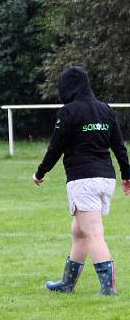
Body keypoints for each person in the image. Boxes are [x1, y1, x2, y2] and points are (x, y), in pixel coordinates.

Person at [34, 65, 130, 295]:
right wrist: (127, 175)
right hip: (106, 179)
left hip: (83, 179)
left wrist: (40, 172)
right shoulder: (106, 110)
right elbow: (119, 147)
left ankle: (109, 288)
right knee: (79, 231)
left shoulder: (68, 112)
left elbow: (56, 146)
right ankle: (67, 283)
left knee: (93, 234)